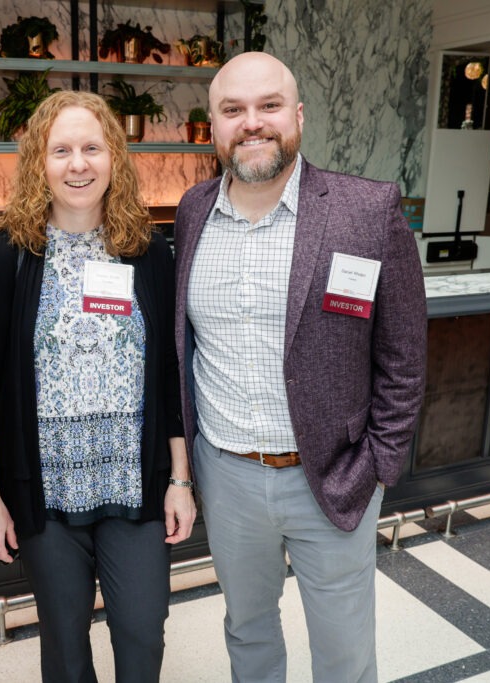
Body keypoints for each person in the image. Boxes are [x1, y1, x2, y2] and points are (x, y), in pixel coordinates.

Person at [173, 52, 427, 682]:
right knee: (248, 633)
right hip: (226, 477)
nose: (251, 123)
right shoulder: (192, 210)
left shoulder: (365, 211)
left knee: (344, 651)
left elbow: (404, 355)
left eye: (269, 106)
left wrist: (379, 464)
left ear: (299, 116)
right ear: (212, 125)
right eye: (233, 110)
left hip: (334, 475)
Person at [0, 90, 195, 683]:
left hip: (133, 482)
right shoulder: (5, 256)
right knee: (65, 651)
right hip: (47, 493)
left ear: (114, 157)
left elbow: (170, 373)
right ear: (38, 163)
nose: (78, 163)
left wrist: (180, 480)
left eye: (92, 147)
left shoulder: (147, 252)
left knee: (143, 634)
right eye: (60, 149)